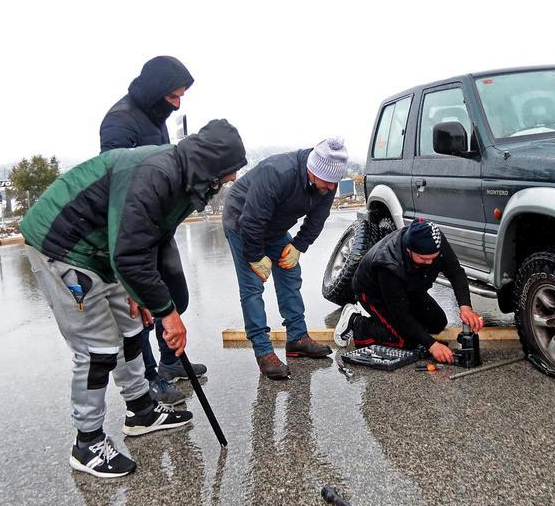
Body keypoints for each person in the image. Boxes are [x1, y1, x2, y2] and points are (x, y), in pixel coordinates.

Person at [21, 119, 247, 478]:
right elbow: (129, 253)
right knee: (97, 348)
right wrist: (167, 313)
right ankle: (87, 442)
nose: (232, 178)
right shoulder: (157, 174)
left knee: (130, 328)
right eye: (229, 170)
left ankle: (140, 410)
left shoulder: (184, 180)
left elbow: (148, 241)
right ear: (211, 163)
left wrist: (139, 291)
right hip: (64, 245)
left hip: (106, 248)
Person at [99, 55, 199, 405]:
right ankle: (149, 376)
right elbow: (116, 182)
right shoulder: (119, 122)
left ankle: (171, 363)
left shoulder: (156, 117)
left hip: (158, 228)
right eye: (173, 97)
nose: (177, 104)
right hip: (133, 231)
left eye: (181, 97)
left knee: (175, 297)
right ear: (156, 92)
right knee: (139, 306)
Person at [223, 138, 348, 380]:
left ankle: (297, 338)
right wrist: (255, 256)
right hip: (243, 222)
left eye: (335, 183)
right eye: (328, 183)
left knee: (290, 272)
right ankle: (263, 351)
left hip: (274, 226)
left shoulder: (326, 184)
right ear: (312, 171)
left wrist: (299, 245)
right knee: (252, 286)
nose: (332, 189)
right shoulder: (278, 173)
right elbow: (252, 221)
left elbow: (317, 219)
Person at [333, 220, 484, 363]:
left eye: (433, 258)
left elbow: (455, 272)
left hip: (410, 287)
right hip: (374, 293)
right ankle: (355, 322)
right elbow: (401, 314)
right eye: (424, 259)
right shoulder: (388, 264)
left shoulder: (435, 240)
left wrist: (466, 307)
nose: (430, 263)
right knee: (403, 341)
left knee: (437, 323)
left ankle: (410, 333)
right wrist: (431, 345)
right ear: (408, 249)